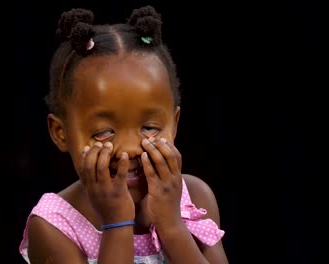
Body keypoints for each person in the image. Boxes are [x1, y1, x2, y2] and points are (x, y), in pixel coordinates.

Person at [19, 5, 228, 264]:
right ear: (61, 133)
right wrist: (117, 223)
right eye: (104, 133)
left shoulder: (194, 196)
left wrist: (171, 225)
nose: (129, 149)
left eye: (149, 128)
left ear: (174, 125)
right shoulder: (55, 224)